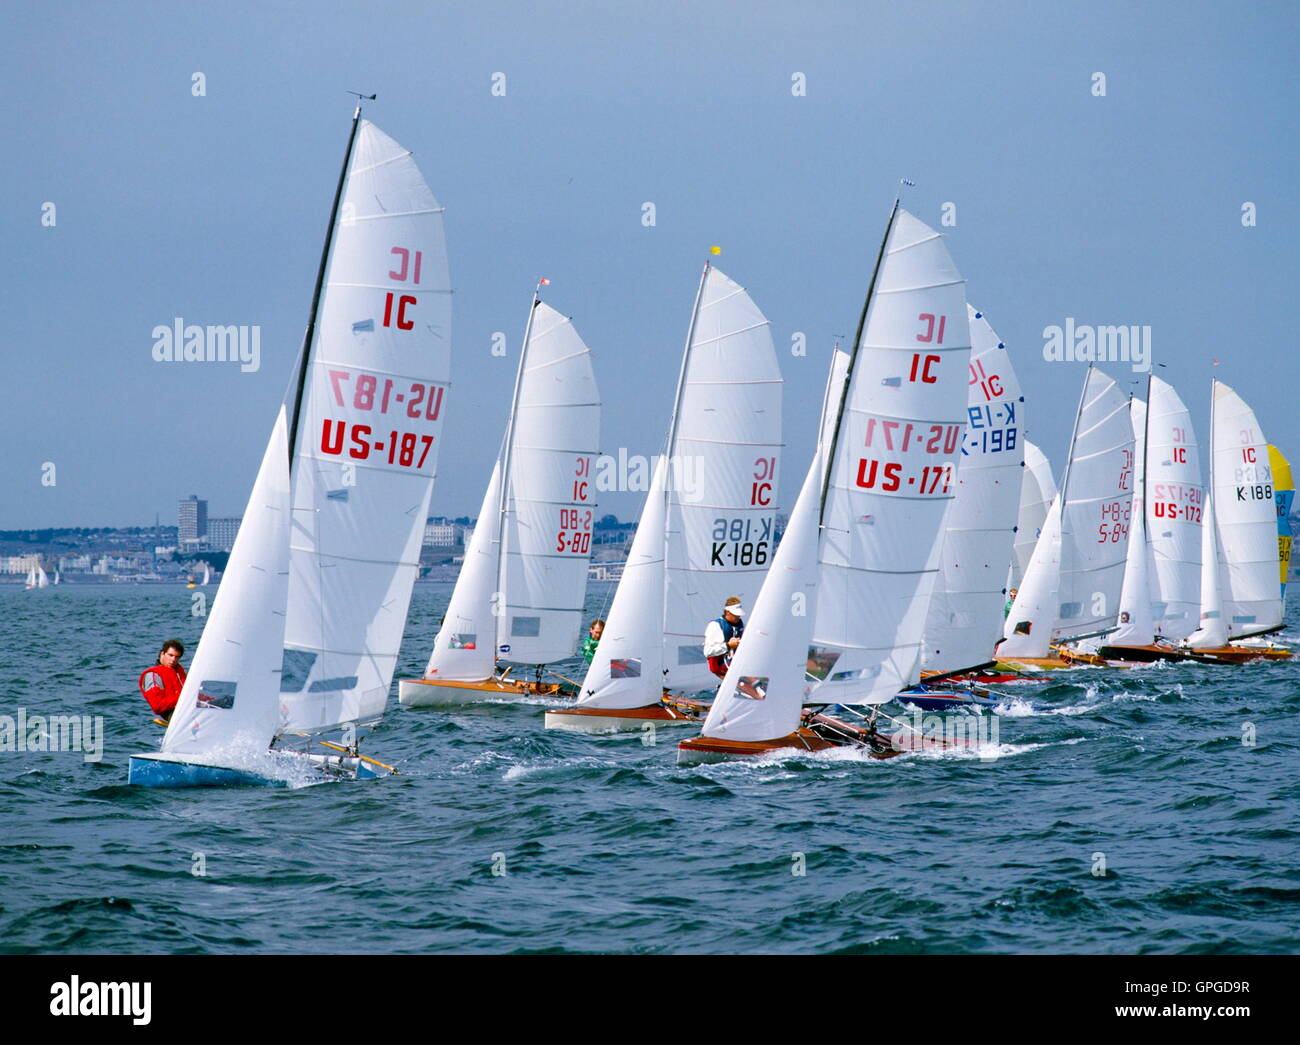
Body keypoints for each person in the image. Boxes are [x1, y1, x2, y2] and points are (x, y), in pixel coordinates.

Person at [138, 639, 187, 722]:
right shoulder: (152, 675)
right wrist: (184, 698)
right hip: (174, 713)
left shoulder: (179, 671)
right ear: (162, 654)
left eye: (177, 657)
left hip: (189, 706)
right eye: (170, 655)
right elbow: (157, 705)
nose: (173, 660)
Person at [703, 596, 745, 679]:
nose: (739, 617)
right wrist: (729, 645)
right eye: (736, 614)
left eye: (739, 614)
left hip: (737, 667)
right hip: (722, 668)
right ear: (728, 612)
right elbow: (707, 652)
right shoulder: (715, 625)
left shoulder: (740, 624)